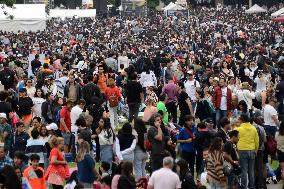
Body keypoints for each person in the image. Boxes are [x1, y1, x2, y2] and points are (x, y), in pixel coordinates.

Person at [235, 113, 259, 189]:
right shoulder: (253, 128)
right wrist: (256, 150)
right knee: (251, 170)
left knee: (244, 170)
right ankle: (252, 186)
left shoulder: (238, 129)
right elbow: (257, 141)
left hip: (242, 150)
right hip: (252, 150)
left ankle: (244, 186)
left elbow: (234, 138)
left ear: (241, 120)